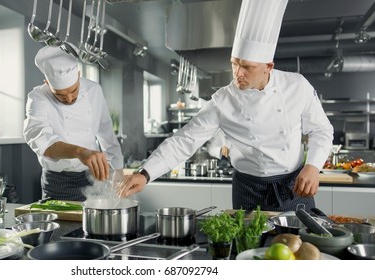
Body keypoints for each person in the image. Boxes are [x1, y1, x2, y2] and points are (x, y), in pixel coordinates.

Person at [118, 0, 333, 212]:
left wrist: (313, 166)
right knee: (247, 246)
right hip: (249, 191)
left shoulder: (297, 86)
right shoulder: (223, 101)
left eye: (247, 67)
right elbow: (185, 140)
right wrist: (145, 173)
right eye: (234, 63)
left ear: (268, 66)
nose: (238, 73)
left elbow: (322, 130)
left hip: (292, 186)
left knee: (301, 245)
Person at [23, 46, 124, 201]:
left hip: (91, 178)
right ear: (47, 83)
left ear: (78, 75)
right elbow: (40, 140)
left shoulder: (94, 90)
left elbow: (106, 132)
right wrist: (80, 152)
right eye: (60, 95)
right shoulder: (38, 98)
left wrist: (118, 169)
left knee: (93, 223)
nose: (69, 99)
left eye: (74, 90)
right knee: (61, 224)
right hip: (58, 182)